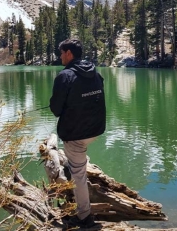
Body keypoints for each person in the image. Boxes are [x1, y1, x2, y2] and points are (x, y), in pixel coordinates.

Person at [49, 39, 106, 229]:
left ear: (69, 54)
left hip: (76, 134)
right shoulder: (95, 73)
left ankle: (84, 216)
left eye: (61, 52)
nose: (60, 56)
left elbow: (56, 110)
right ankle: (76, 163)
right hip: (96, 129)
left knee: (79, 175)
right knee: (78, 156)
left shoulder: (64, 76)